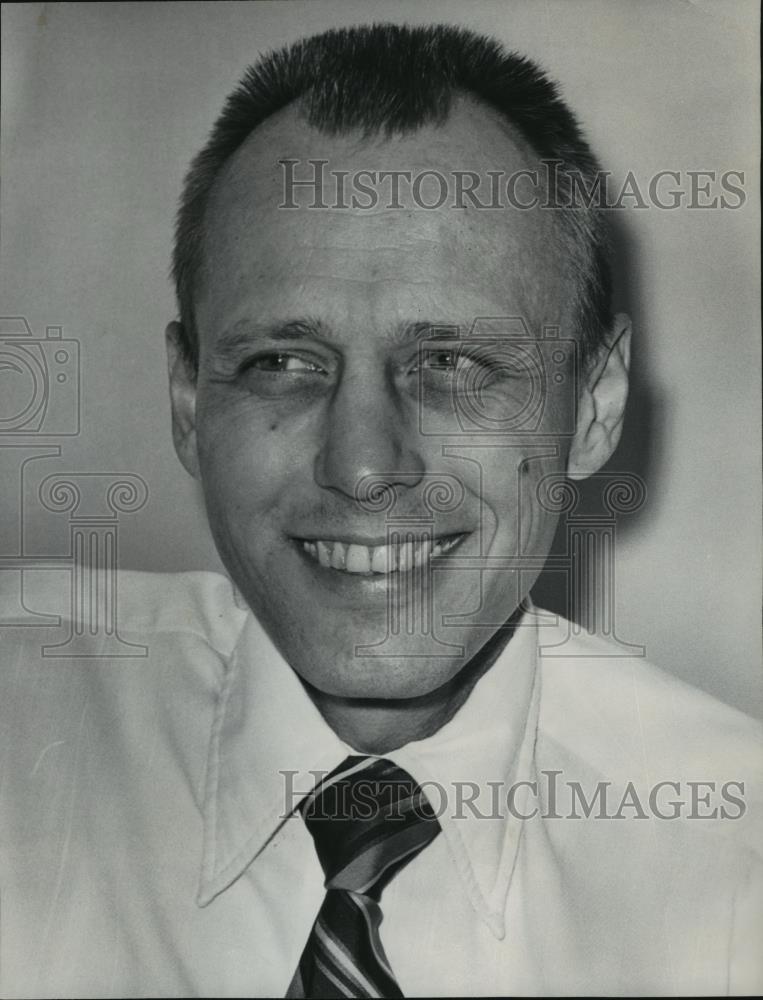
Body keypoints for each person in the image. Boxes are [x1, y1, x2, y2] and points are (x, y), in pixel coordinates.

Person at [1, 22, 760, 998]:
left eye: (450, 364)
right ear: (189, 403)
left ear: (596, 405)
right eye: (281, 362)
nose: (361, 466)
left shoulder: (736, 869)